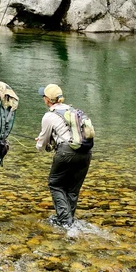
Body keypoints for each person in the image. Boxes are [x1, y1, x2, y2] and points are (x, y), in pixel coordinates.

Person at [36, 84, 92, 227]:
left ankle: (65, 222)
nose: (43, 98)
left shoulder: (49, 116)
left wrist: (40, 143)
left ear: (48, 100)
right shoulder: (73, 111)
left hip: (66, 153)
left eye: (44, 96)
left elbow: (40, 145)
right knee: (72, 188)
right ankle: (70, 220)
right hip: (85, 153)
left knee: (55, 184)